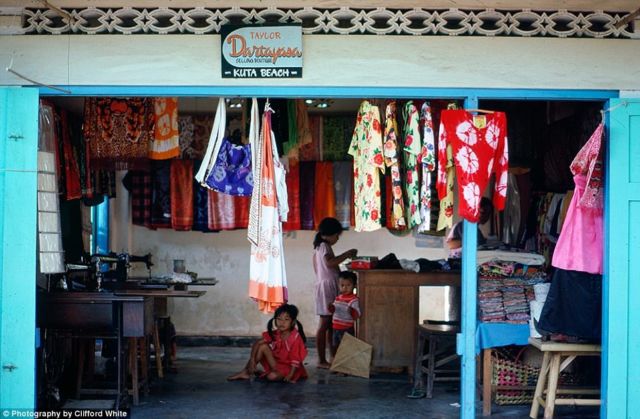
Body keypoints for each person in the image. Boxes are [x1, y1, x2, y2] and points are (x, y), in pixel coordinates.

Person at [313, 217, 358, 369]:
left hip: (326, 285)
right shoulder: (324, 246)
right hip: (327, 288)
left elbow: (318, 268)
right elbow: (330, 263)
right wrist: (347, 253)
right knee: (325, 323)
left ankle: (332, 356)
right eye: (337, 235)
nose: (337, 238)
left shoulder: (319, 247)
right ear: (330, 234)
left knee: (331, 323)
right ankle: (321, 360)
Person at [227, 304, 308, 383]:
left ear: (293, 322)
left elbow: (295, 358)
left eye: (286, 319)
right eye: (279, 319)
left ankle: (267, 373)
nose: (282, 322)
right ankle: (245, 371)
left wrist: (290, 375)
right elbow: (258, 343)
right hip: (277, 364)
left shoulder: (295, 337)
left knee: (271, 376)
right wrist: (252, 359)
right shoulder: (277, 333)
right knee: (262, 346)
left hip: (290, 368)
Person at [328, 271, 361, 355]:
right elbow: (334, 311)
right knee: (336, 346)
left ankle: (346, 365)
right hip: (335, 327)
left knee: (347, 348)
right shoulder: (338, 298)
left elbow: (357, 315)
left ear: (354, 285)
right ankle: (338, 363)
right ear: (338, 286)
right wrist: (331, 308)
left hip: (347, 329)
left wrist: (352, 311)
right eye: (342, 285)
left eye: (348, 285)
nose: (345, 288)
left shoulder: (354, 300)